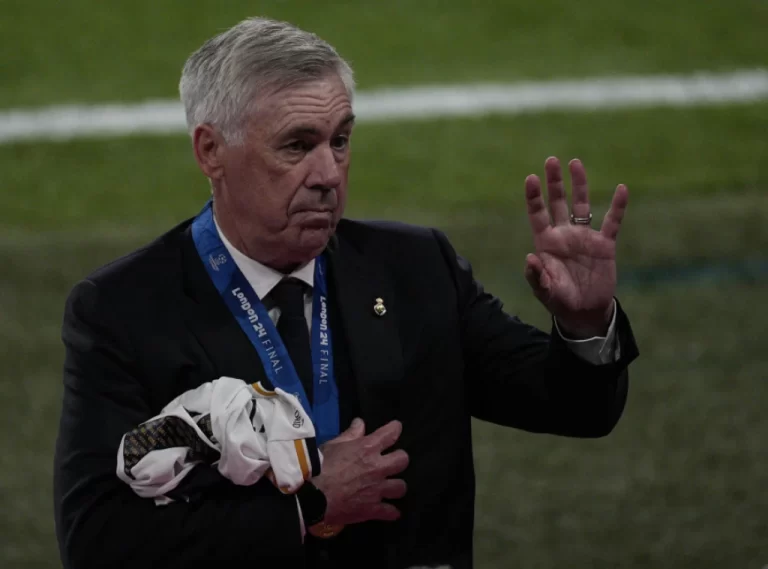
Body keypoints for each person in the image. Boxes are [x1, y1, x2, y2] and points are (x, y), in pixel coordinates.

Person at [53, 16, 639, 569]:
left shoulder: (416, 269)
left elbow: (578, 409)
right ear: (211, 151)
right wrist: (307, 507)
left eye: (339, 140)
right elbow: (98, 541)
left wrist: (586, 325)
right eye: (296, 145)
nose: (329, 175)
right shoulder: (124, 310)